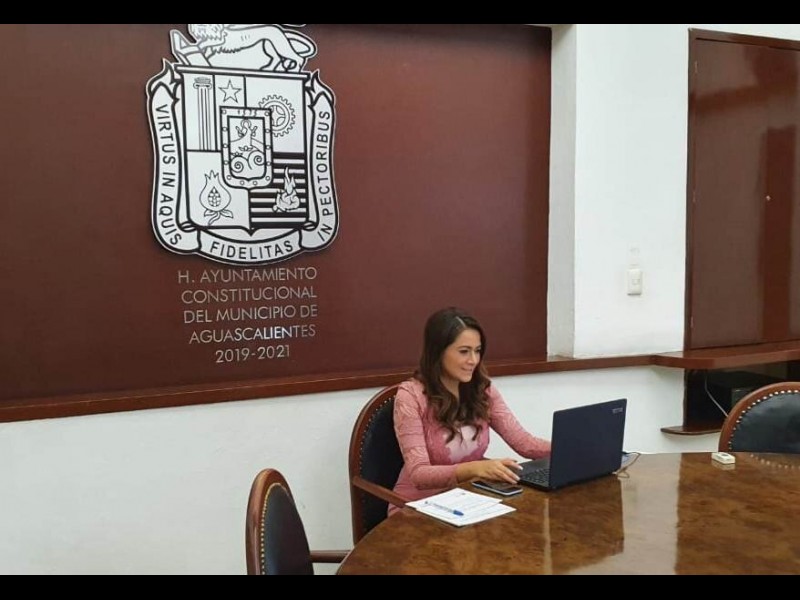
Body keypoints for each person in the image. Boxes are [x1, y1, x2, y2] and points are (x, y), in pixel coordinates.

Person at [390, 307, 551, 515]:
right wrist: (475, 468)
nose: (473, 360)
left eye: (477, 350)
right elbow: (419, 474)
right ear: (438, 352)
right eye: (464, 351)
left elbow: (524, 443)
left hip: (470, 502)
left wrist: (570, 449)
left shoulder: (483, 390)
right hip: (417, 508)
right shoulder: (410, 396)